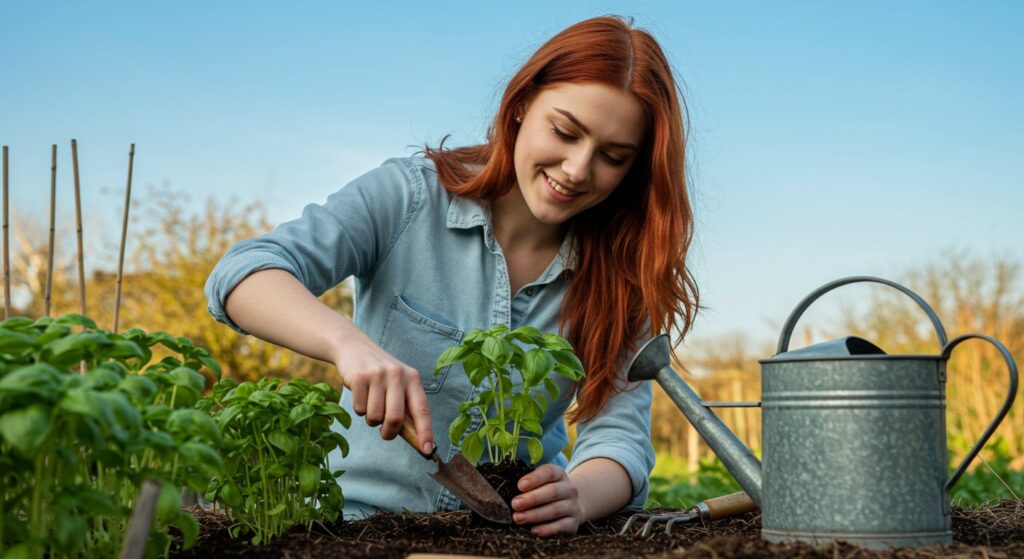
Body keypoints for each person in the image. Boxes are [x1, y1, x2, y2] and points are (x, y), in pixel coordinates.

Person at [204, 15, 698, 537]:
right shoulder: (408, 198)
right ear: (522, 104)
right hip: (354, 529)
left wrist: (577, 496)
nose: (577, 169)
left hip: (509, 538)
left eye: (612, 157)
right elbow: (245, 273)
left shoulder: (623, 273)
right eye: (564, 132)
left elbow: (618, 440)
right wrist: (348, 345)